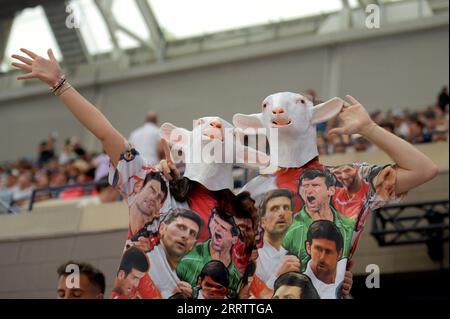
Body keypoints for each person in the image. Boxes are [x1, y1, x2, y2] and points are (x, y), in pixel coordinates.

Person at [282, 169, 355, 271]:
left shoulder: (349, 226)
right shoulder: (288, 230)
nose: (309, 190)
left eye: (315, 185)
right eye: (305, 186)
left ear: (331, 190)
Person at [176, 207, 241, 298]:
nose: (217, 229)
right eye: (216, 222)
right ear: (210, 223)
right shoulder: (187, 259)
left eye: (223, 228)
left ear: (234, 239)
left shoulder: (236, 278)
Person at [139, 208, 203, 299]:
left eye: (192, 233)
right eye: (181, 227)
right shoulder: (142, 265)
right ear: (162, 228)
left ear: (193, 245)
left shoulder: (188, 277)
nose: (186, 236)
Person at [304, 220, 347, 299]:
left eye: (328, 251)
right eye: (318, 249)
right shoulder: (297, 287)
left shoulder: (344, 276)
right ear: (308, 248)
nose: (322, 258)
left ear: (339, 254)